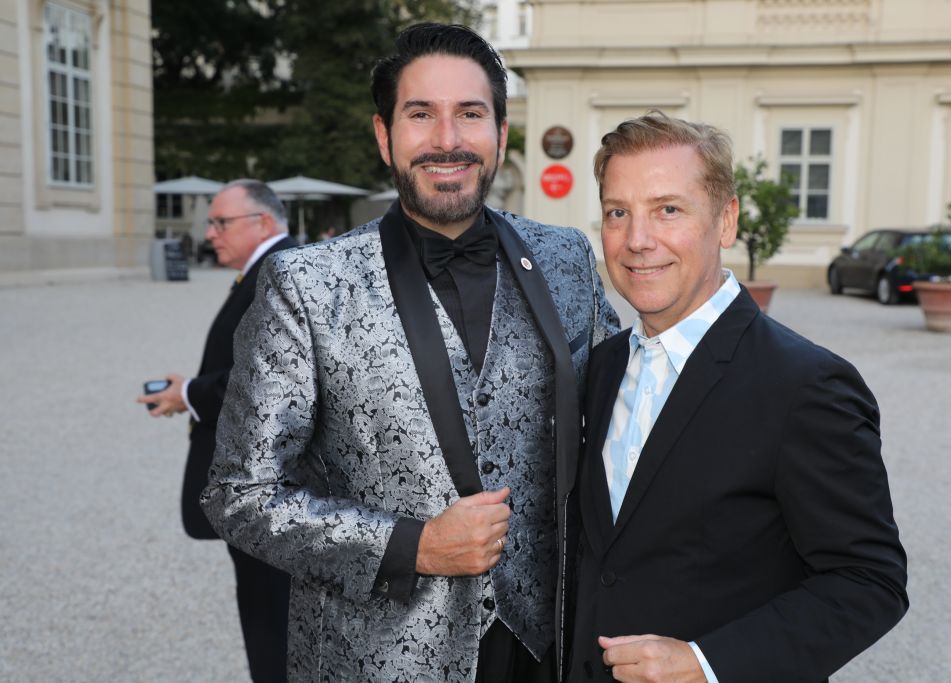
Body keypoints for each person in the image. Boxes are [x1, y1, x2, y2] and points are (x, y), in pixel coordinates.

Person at [200, 23, 620, 683]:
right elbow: (238, 493)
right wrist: (412, 545)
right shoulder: (305, 284)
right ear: (383, 135)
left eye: (470, 114)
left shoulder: (566, 258)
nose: (447, 139)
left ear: (501, 133)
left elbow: (623, 420)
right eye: (421, 114)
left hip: (548, 650)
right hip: (377, 656)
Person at [569, 112, 909, 682]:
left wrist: (706, 665)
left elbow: (869, 581)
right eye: (617, 213)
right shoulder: (603, 367)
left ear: (726, 221)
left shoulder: (807, 385)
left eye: (667, 210)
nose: (637, 240)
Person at [137, 179, 297, 683]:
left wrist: (190, 394)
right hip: (265, 485)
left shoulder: (279, 273)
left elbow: (265, 379)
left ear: (263, 223)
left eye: (221, 223)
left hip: (264, 487)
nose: (210, 234)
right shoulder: (274, 268)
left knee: (272, 617)